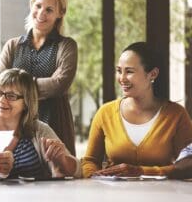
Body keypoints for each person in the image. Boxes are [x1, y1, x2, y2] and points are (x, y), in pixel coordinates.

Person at [81, 42, 192, 178]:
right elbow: (90, 161)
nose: (121, 78)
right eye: (119, 71)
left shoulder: (176, 115)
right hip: (113, 196)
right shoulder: (105, 113)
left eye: (129, 71)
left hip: (162, 196)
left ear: (153, 74)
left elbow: (188, 165)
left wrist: (143, 171)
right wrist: (94, 179)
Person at [0, 0, 77, 156]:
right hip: (15, 125)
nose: (41, 13)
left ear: (60, 13)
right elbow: (0, 83)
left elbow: (59, 84)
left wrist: (17, 90)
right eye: (38, 6)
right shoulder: (12, 46)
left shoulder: (66, 46)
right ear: (31, 5)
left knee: (57, 174)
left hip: (54, 120)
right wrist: (35, 87)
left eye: (49, 9)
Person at [0, 68, 80, 179]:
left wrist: (62, 160)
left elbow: (79, 171)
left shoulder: (39, 130)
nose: (1, 100)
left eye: (11, 96)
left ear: (26, 103)